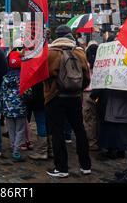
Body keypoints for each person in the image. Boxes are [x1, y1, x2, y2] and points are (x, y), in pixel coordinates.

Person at [44, 25, 92, 178]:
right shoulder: (79, 52)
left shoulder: (50, 53)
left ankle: (62, 168)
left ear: (55, 36)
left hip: (55, 97)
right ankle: (86, 166)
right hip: (75, 97)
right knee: (79, 129)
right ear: (70, 35)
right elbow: (86, 78)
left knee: (57, 132)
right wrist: (77, 89)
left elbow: (44, 76)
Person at [0, 50, 31, 162]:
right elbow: (27, 93)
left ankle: (14, 147)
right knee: (20, 130)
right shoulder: (23, 77)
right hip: (20, 108)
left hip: (8, 108)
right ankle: (16, 151)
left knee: (11, 130)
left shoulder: (5, 77)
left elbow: (2, 93)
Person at [83, 41, 100, 151]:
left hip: (88, 93)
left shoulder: (85, 64)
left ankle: (92, 142)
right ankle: (99, 140)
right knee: (98, 117)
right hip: (99, 92)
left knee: (89, 118)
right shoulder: (101, 64)